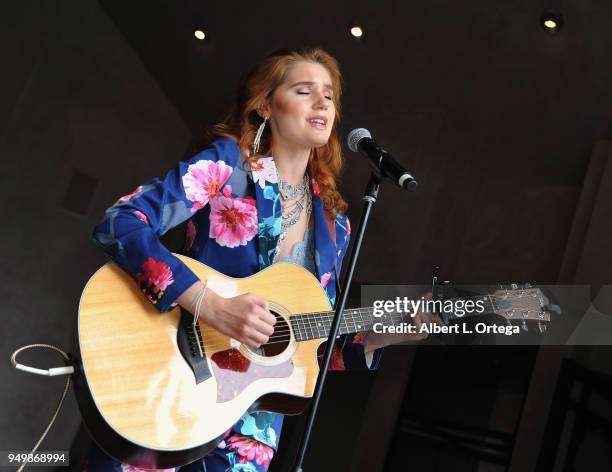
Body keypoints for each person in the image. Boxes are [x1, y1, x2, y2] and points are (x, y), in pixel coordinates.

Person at [87, 47, 438, 472]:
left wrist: (393, 332)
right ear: (265, 106)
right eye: (305, 90)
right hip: (168, 387)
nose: (323, 102)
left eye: (329, 95)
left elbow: (314, 345)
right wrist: (210, 304)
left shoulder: (335, 225)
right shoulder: (228, 167)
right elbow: (122, 222)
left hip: (250, 434)